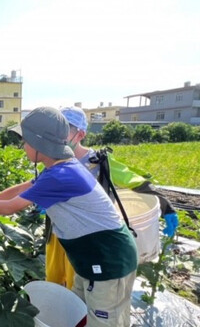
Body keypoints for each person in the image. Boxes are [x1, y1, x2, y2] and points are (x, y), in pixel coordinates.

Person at [0, 107, 138, 327]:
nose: (23, 146)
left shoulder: (61, 175)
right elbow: (18, 189)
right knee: (82, 314)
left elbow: (12, 206)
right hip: (91, 262)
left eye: (25, 141)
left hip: (108, 263)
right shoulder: (60, 167)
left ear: (40, 144)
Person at [44, 106, 178, 289]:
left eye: (65, 130)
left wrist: (167, 208)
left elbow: (137, 182)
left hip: (86, 239)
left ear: (80, 134)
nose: (59, 136)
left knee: (78, 286)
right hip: (57, 235)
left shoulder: (99, 162)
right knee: (53, 281)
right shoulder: (52, 160)